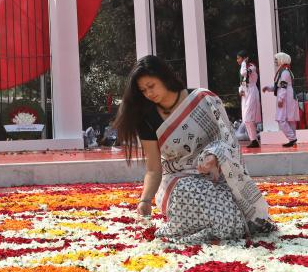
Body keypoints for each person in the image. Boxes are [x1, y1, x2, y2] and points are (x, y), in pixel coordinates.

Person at [112, 55, 276, 244]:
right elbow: (153, 169)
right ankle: (225, 227)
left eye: (151, 86)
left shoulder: (203, 100)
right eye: (143, 90)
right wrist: (145, 200)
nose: (149, 93)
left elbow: (229, 140)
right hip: (178, 182)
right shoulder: (147, 119)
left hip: (217, 176)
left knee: (227, 213)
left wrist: (214, 156)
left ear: (164, 77)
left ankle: (221, 227)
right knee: (187, 192)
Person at [262, 52, 299, 147]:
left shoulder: (284, 72)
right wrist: (268, 88)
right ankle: (293, 140)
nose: (275, 61)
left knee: (281, 119)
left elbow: (283, 86)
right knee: (290, 119)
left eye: (276, 59)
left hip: (286, 96)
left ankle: (292, 138)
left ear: (282, 59)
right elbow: (279, 86)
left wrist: (280, 99)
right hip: (287, 95)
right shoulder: (284, 71)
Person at [236, 50, 262, 148]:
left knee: (248, 117)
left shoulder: (252, 67)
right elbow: (243, 81)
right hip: (246, 93)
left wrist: (243, 63)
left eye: (239, 58)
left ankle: (254, 140)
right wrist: (241, 90)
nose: (237, 60)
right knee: (246, 119)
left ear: (244, 58)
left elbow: (244, 73)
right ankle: (253, 140)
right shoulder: (244, 67)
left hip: (252, 92)